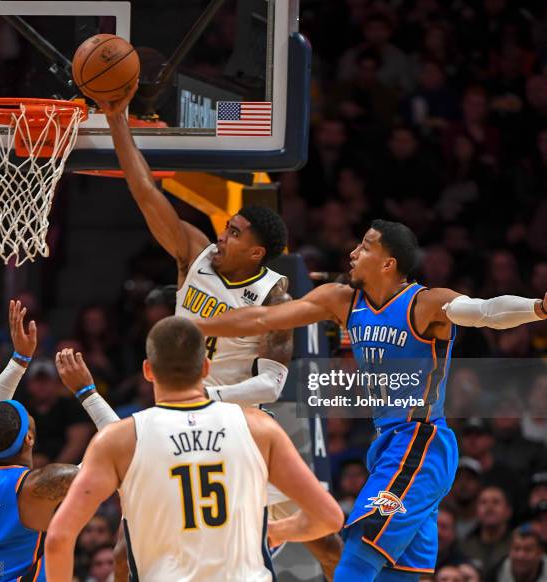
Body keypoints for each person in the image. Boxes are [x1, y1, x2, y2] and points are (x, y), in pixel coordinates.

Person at [194, 219, 547, 580]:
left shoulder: (425, 303)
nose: (353, 252)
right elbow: (262, 318)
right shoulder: (343, 299)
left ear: (387, 263)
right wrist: (197, 326)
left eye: (364, 246)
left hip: (420, 444)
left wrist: (539, 307)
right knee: (397, 574)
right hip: (389, 445)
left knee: (359, 554)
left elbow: (487, 311)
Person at [98, 86, 343, 577]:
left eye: (234, 233)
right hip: (175, 415)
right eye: (227, 226)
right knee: (127, 549)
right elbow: (146, 192)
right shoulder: (196, 255)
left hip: (237, 426)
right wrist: (116, 120)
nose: (223, 235)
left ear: (257, 253)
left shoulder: (275, 296)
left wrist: (212, 395)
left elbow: (272, 384)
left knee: (326, 542)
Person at [45, 316, 344, 582]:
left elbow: (58, 537)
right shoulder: (259, 427)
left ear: (148, 371)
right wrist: (278, 531)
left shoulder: (119, 440)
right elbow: (329, 517)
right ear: (205, 368)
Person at [0, 300, 119, 581]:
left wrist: (19, 360)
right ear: (29, 438)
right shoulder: (38, 485)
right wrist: (87, 392)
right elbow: (122, 446)